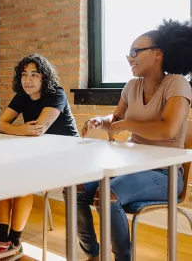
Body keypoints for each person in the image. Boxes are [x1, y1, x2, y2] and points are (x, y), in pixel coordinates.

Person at [78, 19, 192, 261]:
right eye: (128, 53)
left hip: (165, 174)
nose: (129, 58)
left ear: (158, 53)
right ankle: (93, 255)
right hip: (129, 168)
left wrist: (127, 124)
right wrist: (102, 119)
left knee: (107, 194)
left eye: (135, 52)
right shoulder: (131, 86)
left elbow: (169, 130)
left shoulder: (177, 83)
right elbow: (116, 118)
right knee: (75, 187)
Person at [0, 53, 79, 260]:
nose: (28, 80)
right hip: (36, 151)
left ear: (45, 78)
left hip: (68, 155)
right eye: (24, 75)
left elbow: (38, 129)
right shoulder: (22, 96)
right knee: (3, 178)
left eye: (34, 75)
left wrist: (16, 129)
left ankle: (13, 241)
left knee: (22, 181)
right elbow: (0, 125)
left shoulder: (56, 93)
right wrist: (22, 129)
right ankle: (2, 240)